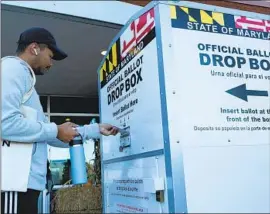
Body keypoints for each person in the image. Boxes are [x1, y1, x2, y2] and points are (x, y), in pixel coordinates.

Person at [1, 27, 118, 214]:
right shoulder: (12, 69)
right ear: (34, 48)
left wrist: (94, 130)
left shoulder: (25, 80)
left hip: (24, 185)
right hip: (13, 184)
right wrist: (55, 130)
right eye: (50, 55)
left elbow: (46, 135)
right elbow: (4, 124)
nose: (51, 63)